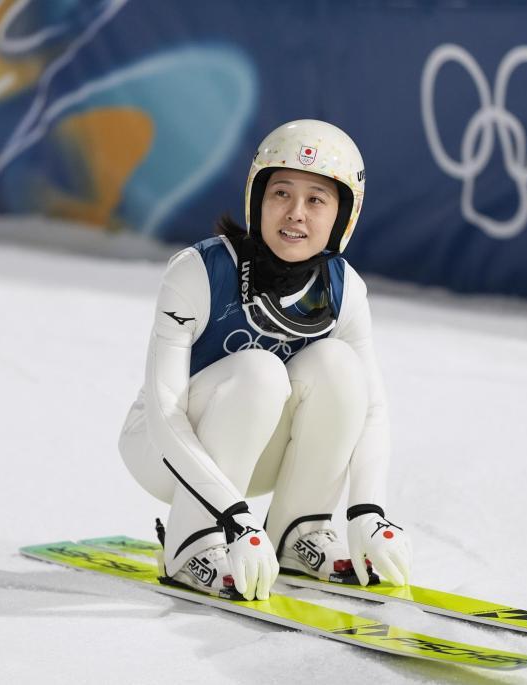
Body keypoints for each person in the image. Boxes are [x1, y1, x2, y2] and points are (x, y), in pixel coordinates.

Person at [118, 119, 412, 601]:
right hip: (162, 450)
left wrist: (368, 513)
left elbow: (372, 409)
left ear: (342, 217)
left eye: (316, 199)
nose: (295, 213)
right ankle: (191, 546)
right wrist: (232, 518)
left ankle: (299, 532)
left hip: (254, 453)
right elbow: (165, 412)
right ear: (258, 200)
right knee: (260, 371)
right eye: (281, 194)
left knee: (338, 365)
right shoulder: (198, 272)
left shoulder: (345, 291)